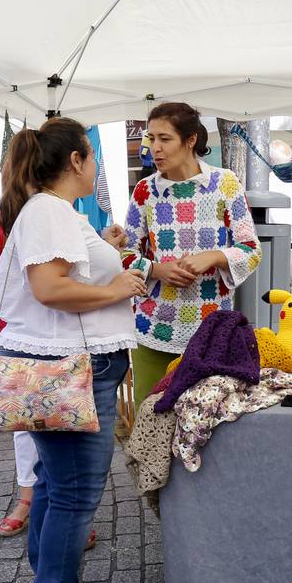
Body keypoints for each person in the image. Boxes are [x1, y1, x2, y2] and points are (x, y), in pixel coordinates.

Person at [0, 117, 143, 583]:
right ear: (77, 160)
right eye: (92, 156)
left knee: (57, 489)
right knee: (74, 495)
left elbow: (56, 277)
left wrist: (105, 252)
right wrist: (116, 287)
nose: (97, 165)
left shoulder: (54, 211)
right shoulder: (49, 211)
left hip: (70, 367)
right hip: (68, 371)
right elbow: (50, 288)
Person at [117, 102, 261, 408]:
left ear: (191, 139)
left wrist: (214, 256)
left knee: (204, 419)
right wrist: (157, 269)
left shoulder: (224, 183)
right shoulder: (145, 190)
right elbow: (125, 253)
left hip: (211, 330)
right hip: (153, 328)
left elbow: (251, 249)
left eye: (164, 139)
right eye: (151, 138)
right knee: (149, 417)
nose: (155, 148)